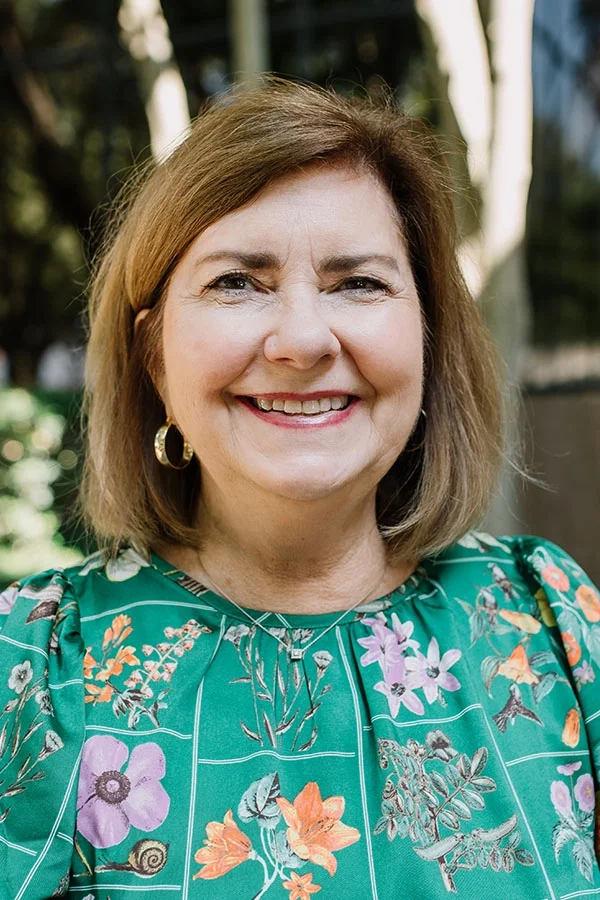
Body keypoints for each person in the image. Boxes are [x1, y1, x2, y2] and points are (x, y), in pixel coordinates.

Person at [0, 79, 598, 900]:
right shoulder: (29, 669)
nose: (304, 339)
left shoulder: (551, 624)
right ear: (154, 360)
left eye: (360, 283)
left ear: (427, 339)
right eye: (238, 282)